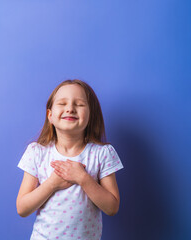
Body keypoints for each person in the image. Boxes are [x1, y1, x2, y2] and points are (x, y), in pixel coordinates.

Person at [16, 79, 124, 240]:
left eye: (79, 104)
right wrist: (52, 183)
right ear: (50, 115)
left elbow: (112, 207)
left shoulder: (102, 153)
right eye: (62, 103)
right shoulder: (37, 152)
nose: (70, 109)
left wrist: (82, 178)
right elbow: (22, 208)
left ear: (90, 115)